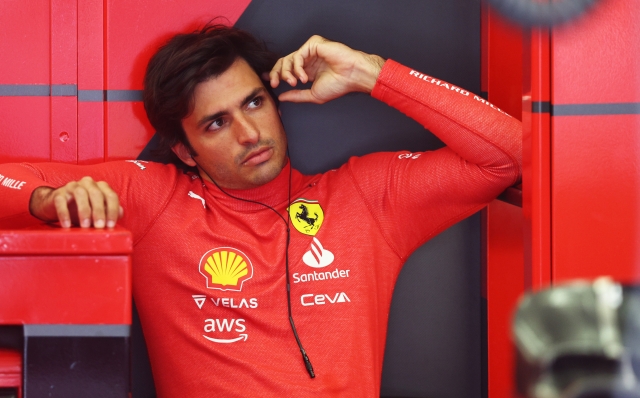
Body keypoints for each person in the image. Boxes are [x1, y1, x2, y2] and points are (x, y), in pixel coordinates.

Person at [0, 24, 521, 397]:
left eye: (253, 103)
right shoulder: (155, 200)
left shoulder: (367, 197)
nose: (249, 134)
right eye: (216, 124)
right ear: (184, 150)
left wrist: (371, 73)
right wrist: (44, 201)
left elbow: (512, 155)